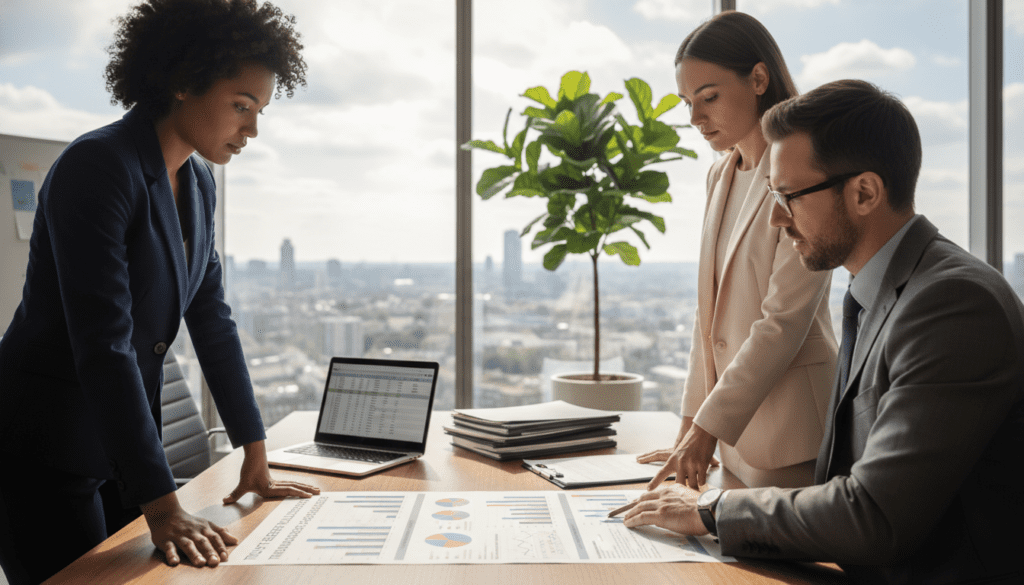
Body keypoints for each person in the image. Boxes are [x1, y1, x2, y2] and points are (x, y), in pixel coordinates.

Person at [624, 79, 1024, 584]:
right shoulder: (878, 291)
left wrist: (710, 510)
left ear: (864, 193)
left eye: (788, 195)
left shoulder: (954, 307)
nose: (775, 217)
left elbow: (873, 515)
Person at [0, 1, 321, 583]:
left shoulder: (197, 180)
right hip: (42, 446)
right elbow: (105, 344)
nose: (251, 129)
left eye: (259, 110)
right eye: (241, 106)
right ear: (181, 82)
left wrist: (255, 455)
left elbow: (212, 317)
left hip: (124, 442)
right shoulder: (96, 167)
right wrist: (164, 505)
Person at [639, 11, 837, 490]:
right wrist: (690, 430)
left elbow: (783, 322)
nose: (694, 118)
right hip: (729, 440)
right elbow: (707, 319)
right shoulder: (720, 174)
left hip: (792, 434)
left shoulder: (802, 170)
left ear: (758, 79)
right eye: (688, 102)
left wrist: (705, 431)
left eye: (708, 98)